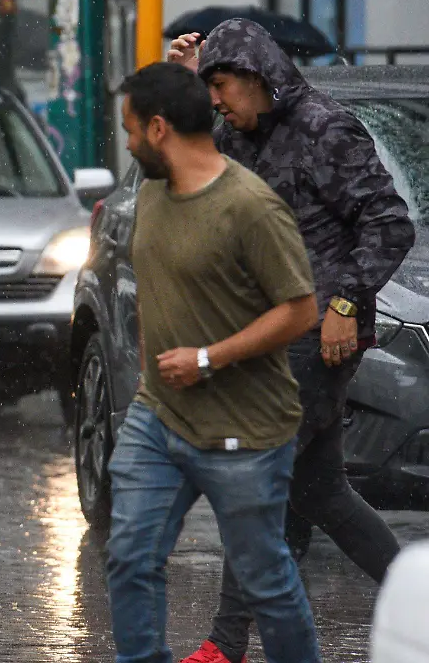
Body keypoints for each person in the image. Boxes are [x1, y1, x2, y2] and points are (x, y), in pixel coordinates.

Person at [168, 19, 414, 663]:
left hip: (315, 332)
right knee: (319, 491)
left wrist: (344, 302)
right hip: (268, 334)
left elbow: (389, 223)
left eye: (223, 85)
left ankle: (225, 643)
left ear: (258, 76)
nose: (218, 100)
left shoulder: (324, 130)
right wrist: (190, 87)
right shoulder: (239, 132)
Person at [107, 62, 322, 663]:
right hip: (160, 416)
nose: (125, 144)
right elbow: (159, 286)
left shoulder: (251, 208)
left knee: (265, 583)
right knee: (130, 556)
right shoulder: (151, 194)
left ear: (158, 128)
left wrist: (208, 358)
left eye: (129, 131)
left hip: (246, 429)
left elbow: (301, 310)